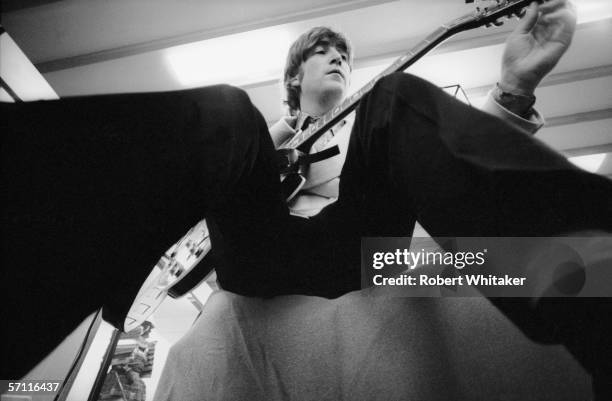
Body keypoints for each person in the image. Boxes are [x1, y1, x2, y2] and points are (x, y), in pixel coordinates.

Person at [1, 0, 610, 391]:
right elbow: (199, 250)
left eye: (343, 54)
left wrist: (512, 88)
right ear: (294, 77)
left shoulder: (373, 125)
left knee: (395, 96)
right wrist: (266, 157)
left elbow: (457, 182)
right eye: (323, 54)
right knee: (223, 110)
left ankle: (594, 276)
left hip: (374, 256)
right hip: (267, 259)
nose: (338, 59)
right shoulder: (256, 140)